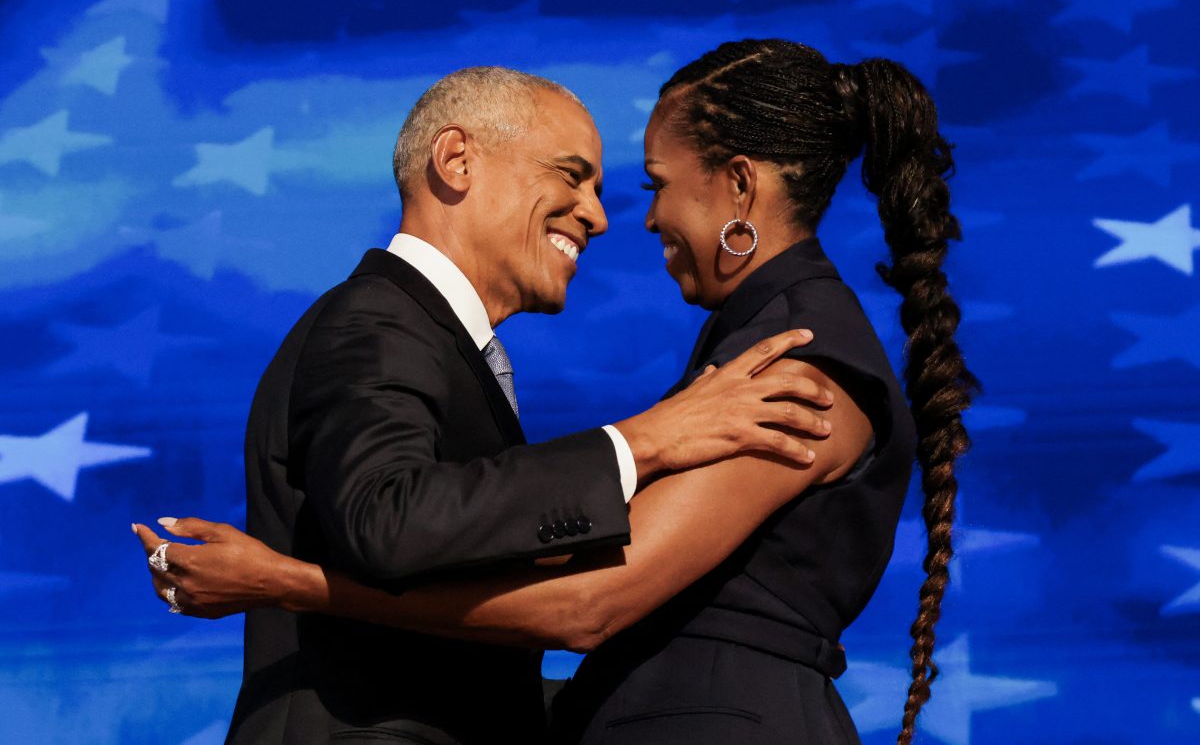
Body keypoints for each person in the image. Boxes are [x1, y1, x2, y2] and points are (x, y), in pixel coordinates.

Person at [138, 40, 978, 744]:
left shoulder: (792, 357)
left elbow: (587, 602)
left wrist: (293, 580)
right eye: (577, 177)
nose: (622, 217)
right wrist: (644, 439)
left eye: (650, 183)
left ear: (741, 188)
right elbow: (438, 535)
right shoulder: (380, 324)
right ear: (457, 160)